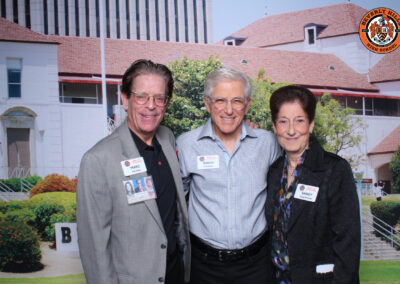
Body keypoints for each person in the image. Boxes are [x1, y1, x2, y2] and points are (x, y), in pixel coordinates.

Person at [76, 59, 190, 284]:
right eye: (141, 96)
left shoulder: (167, 139)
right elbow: (94, 247)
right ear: (125, 99)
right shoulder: (97, 160)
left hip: (175, 274)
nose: (151, 105)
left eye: (159, 98)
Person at [176, 68, 281, 284]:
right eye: (220, 101)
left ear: (248, 104)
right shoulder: (186, 145)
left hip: (257, 264)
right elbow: (176, 203)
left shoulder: (267, 143)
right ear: (207, 103)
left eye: (237, 101)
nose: (229, 110)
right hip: (204, 265)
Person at [266, 85, 360, 283]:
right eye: (283, 122)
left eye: (299, 121)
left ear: (310, 125)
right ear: (275, 127)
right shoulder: (274, 171)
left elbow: (347, 243)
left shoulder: (334, 169)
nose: (291, 130)